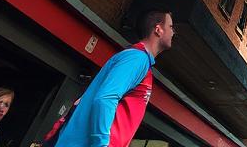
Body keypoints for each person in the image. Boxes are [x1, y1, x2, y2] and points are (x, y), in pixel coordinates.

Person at [51, 10, 174, 147]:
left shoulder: (139, 60)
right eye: (170, 27)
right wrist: (102, 143)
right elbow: (105, 98)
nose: (173, 32)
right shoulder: (137, 58)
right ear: (158, 30)